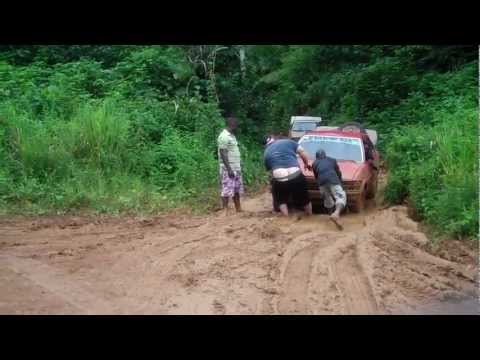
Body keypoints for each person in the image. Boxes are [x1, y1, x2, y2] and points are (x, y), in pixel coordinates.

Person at [264, 135, 312, 217]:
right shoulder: (288, 142)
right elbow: (302, 152)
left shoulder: (266, 152)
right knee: (304, 198)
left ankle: (286, 218)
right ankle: (310, 215)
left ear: (266, 145)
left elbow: (271, 172)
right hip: (295, 174)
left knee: (280, 199)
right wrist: (306, 164)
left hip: (280, 177)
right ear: (275, 139)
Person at [312, 149, 347, 230]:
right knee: (340, 197)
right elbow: (338, 173)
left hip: (321, 182)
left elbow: (316, 177)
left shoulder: (314, 163)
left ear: (317, 157)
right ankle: (336, 213)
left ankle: (332, 217)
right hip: (333, 180)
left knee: (327, 200)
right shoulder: (332, 160)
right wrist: (340, 183)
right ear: (325, 155)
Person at [218, 117, 243, 215]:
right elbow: (223, 153)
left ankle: (238, 209)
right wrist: (229, 169)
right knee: (227, 189)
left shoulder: (232, 136)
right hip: (229, 168)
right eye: (236, 124)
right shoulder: (224, 136)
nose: (236, 126)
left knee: (236, 189)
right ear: (232, 124)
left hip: (236, 167)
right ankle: (224, 211)